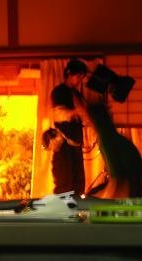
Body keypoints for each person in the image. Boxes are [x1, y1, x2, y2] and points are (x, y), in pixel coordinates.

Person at [49, 59, 88, 195]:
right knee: (64, 184)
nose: (80, 80)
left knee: (79, 185)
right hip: (63, 145)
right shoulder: (58, 92)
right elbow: (58, 114)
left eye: (82, 77)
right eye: (78, 76)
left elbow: (85, 115)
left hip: (76, 145)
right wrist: (75, 112)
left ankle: (75, 208)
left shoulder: (77, 95)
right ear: (69, 74)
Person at [42, 127, 85, 195]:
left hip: (72, 188)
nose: (53, 149)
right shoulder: (57, 156)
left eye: (53, 145)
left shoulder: (68, 139)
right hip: (71, 189)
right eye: (51, 148)